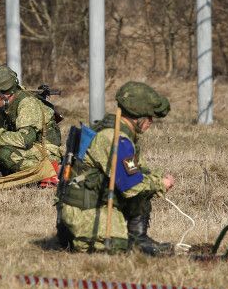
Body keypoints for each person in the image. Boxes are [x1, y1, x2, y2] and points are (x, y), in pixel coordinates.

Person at [57, 81, 174, 255]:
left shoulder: (120, 133)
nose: (151, 121)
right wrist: (160, 183)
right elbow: (131, 186)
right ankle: (133, 243)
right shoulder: (114, 138)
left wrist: (154, 178)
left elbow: (138, 172)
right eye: (149, 117)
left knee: (145, 183)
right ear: (138, 116)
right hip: (83, 214)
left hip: (89, 206)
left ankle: (138, 238)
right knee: (121, 248)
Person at [0, 64, 62, 186]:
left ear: (6, 93)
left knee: (5, 150)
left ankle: (50, 172)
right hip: (30, 150)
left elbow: (25, 140)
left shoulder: (27, 104)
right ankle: (17, 174)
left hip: (46, 152)